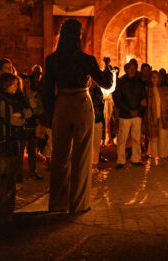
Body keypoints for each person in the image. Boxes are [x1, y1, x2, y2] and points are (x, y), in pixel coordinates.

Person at [43, 19, 113, 214]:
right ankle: (79, 204)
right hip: (82, 103)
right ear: (79, 36)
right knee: (82, 155)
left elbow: (47, 90)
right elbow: (106, 84)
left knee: (59, 156)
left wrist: (48, 114)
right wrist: (108, 69)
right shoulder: (86, 60)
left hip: (62, 103)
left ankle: (57, 204)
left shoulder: (52, 60)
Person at [0, 73, 32, 182]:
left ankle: (17, 177)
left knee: (19, 159)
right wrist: (22, 117)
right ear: (6, 84)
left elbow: (28, 112)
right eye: (14, 84)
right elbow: (9, 119)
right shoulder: (2, 100)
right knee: (12, 159)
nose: (17, 87)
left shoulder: (18, 98)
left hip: (19, 134)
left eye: (17, 84)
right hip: (9, 135)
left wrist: (21, 115)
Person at [112, 58, 147, 168]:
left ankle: (136, 158)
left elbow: (144, 99)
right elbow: (117, 99)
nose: (132, 70)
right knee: (122, 139)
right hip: (125, 115)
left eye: (134, 68)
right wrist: (128, 111)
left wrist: (138, 111)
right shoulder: (120, 82)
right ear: (126, 69)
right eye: (130, 68)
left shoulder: (139, 83)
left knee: (136, 138)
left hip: (137, 115)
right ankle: (121, 160)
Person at [145, 71, 168, 165]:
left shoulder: (165, 90)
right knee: (153, 137)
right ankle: (153, 156)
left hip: (163, 115)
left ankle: (162, 156)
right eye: (152, 77)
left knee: (163, 136)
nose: (154, 79)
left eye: (156, 77)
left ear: (159, 78)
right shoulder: (147, 90)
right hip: (152, 115)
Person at [89, 80, 105, 172]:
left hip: (97, 121)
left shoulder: (99, 93)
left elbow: (102, 108)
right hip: (87, 122)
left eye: (95, 81)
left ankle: (94, 164)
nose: (93, 83)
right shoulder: (85, 93)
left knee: (96, 144)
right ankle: (88, 164)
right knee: (88, 145)